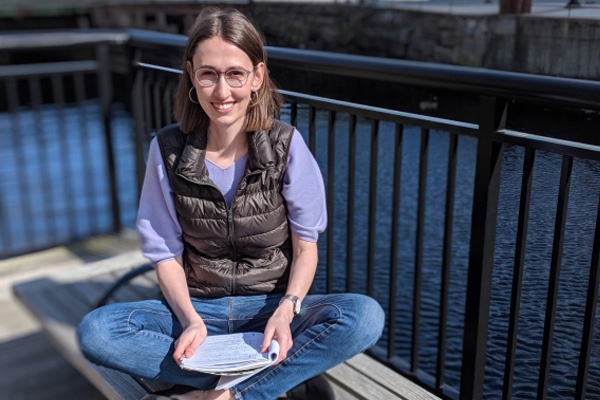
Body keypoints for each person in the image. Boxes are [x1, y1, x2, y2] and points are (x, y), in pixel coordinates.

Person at [77, 7, 384, 400]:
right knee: (97, 332)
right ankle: (256, 380)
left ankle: (227, 395)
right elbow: (166, 256)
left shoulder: (287, 146)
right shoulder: (167, 150)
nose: (222, 93)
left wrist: (286, 310)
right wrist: (190, 322)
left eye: (235, 74)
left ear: (257, 76)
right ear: (191, 75)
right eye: (208, 74)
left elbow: (307, 248)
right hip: (200, 311)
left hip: (271, 309)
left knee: (363, 318)